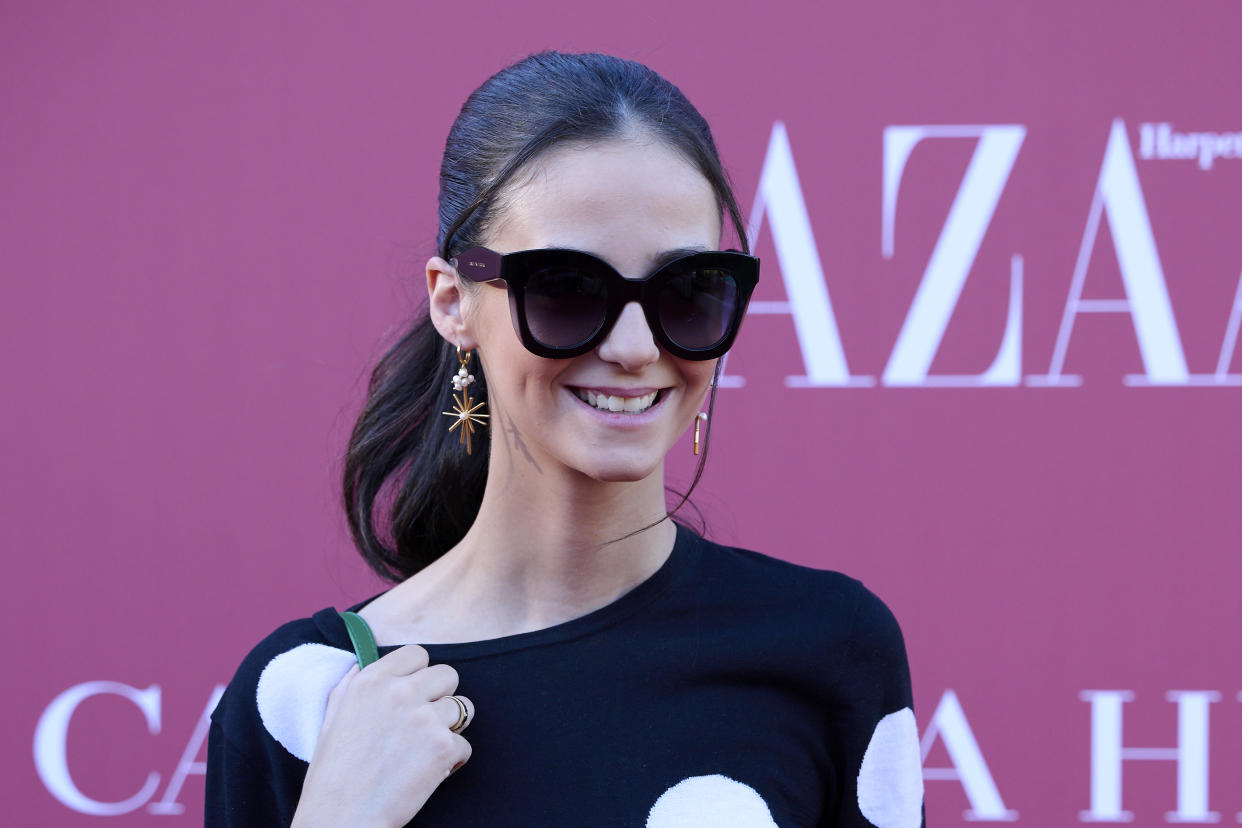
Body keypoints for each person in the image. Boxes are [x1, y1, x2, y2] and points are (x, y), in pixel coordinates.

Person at [205, 51, 924, 828]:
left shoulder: (827, 645)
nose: (634, 346)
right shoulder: (306, 692)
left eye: (688, 292)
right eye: (567, 288)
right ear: (454, 302)